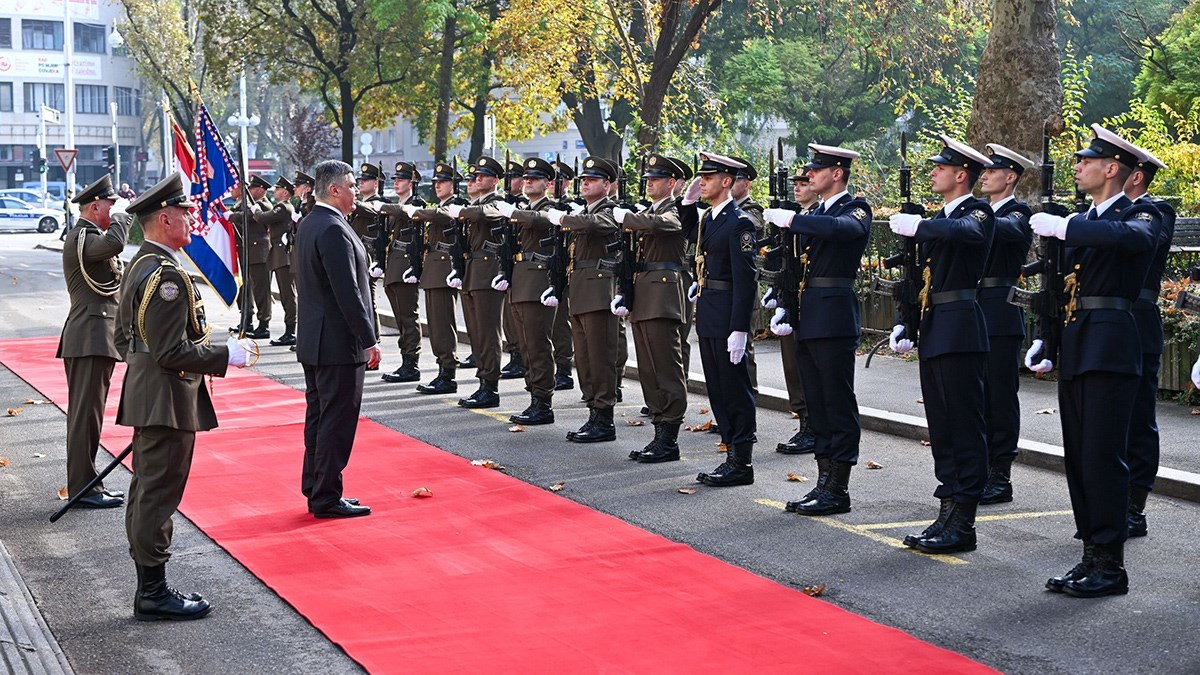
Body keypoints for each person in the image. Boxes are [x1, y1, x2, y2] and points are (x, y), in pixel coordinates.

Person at [114, 173, 255, 620]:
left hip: (152, 392)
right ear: (164, 218)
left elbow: (124, 338)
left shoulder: (142, 264)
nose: (192, 218)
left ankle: (149, 586)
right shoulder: (167, 275)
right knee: (158, 492)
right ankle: (152, 592)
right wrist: (225, 354)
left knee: (148, 489)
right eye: (184, 213)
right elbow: (171, 350)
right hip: (167, 397)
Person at [1029, 125, 1158, 598]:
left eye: (1086, 161)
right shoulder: (1085, 217)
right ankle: (1090, 555)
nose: (1077, 166)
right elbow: (1061, 290)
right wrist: (1048, 340)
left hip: (1112, 345)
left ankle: (1111, 565)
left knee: (1104, 456)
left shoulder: (1140, 212)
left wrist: (1068, 228)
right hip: (1079, 343)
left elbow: (1134, 241)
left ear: (1112, 169)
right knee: (1080, 458)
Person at [888, 135, 995, 554]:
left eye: (940, 167)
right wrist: (906, 323)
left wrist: (922, 227)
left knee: (964, 426)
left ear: (961, 174)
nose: (932, 171)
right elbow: (920, 280)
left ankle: (963, 520)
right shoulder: (941, 215)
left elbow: (967, 232)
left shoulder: (977, 211)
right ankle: (947, 510)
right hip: (935, 327)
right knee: (943, 427)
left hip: (960, 327)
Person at [763, 143, 872, 513]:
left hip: (834, 316)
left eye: (816, 170)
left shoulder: (854, 208)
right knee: (818, 405)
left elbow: (842, 229)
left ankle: (839, 488)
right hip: (808, 315)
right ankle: (823, 480)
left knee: (837, 403)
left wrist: (794, 221)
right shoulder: (815, 212)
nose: (809, 176)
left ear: (837, 173)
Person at [294, 160, 381, 519]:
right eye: (351, 185)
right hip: (337, 344)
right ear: (334, 189)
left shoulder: (312, 223)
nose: (356, 192)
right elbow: (347, 292)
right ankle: (326, 495)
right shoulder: (331, 228)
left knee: (319, 417)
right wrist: (369, 339)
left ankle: (316, 486)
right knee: (335, 421)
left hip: (316, 340)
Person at [56, 175, 130, 509]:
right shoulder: (82, 237)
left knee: (89, 416)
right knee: (85, 416)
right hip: (89, 337)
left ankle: (87, 483)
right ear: (95, 205)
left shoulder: (90, 237)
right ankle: (83, 488)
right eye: (110, 205)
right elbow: (114, 244)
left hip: (97, 336)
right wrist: (125, 217)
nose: (113, 210)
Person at [614, 155, 689, 462]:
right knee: (648, 367)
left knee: (666, 367)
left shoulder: (677, 210)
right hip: (644, 292)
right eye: (648, 179)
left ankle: (669, 436)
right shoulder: (646, 211)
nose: (650, 184)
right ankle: (659, 430)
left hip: (663, 294)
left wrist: (628, 218)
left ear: (671, 183)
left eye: (656, 179)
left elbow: (668, 225)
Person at [690, 153, 758, 487]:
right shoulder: (709, 219)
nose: (702, 181)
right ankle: (730, 452)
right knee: (717, 388)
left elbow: (747, 281)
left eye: (709, 176)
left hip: (728, 314)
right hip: (709, 311)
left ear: (727, 181)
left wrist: (739, 329)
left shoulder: (739, 221)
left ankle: (742, 461)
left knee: (735, 389)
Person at [545, 157, 622, 443]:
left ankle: (605, 417)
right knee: (586, 357)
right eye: (584, 179)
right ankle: (593, 411)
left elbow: (598, 224)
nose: (585, 182)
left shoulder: (610, 210)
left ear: (606, 185)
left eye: (592, 179)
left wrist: (565, 218)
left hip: (600, 292)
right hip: (579, 290)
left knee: (601, 356)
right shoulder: (584, 211)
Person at [976, 144, 1035, 505]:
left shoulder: (1018, 213)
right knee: (977, 397)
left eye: (991, 170)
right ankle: (980, 466)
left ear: (1010, 176)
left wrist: (970, 217)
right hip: (974, 309)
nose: (983, 175)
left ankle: (1001, 474)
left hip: (1000, 313)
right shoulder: (981, 212)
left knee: (999, 397)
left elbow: (1001, 230)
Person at [1123, 146, 1173, 538]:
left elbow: (1139, 244)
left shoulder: (1156, 212)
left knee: (1138, 419)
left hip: (1138, 323)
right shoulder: (1102, 213)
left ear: (1136, 175)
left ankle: (1134, 504)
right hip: (1104, 327)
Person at [496, 158, 564, 424]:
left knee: (537, 345)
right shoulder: (522, 208)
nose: (528, 182)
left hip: (538, 282)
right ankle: (533, 397)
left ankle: (543, 403)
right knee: (525, 346)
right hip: (521, 281)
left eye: (534, 179)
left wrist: (512, 213)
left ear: (548, 184)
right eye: (525, 178)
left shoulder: (551, 209)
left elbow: (539, 220)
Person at [448, 156, 510, 408]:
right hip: (473, 272)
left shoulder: (497, 203)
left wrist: (461, 211)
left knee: (487, 333)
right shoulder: (477, 204)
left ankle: (490, 387)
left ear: (495, 180)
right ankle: (483, 382)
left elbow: (486, 214)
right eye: (475, 177)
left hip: (488, 274)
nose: (477, 180)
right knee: (476, 333)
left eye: (482, 176)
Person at [768, 168, 819, 455]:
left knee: (806, 363)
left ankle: (813, 426)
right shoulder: (792, 216)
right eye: (796, 184)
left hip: (808, 299)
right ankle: (803, 421)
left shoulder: (814, 218)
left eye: (803, 184)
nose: (798, 189)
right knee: (791, 363)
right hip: (791, 296)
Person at [411, 162, 468, 395]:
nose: (437, 186)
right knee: (435, 324)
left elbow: (441, 217)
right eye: (435, 182)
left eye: (442, 182)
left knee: (443, 323)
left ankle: (448, 373)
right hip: (433, 270)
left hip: (445, 269)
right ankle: (442, 369)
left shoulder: (456, 206)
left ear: (454, 184)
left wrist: (415, 212)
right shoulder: (442, 206)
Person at [376, 162, 427, 383]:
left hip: (406, 266)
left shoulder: (417, 204)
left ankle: (411, 363)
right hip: (393, 267)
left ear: (413, 182)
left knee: (408, 317)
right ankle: (404, 360)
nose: (396, 182)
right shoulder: (397, 205)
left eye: (401, 179)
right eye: (395, 179)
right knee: (400, 318)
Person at [257, 176, 299, 346]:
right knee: (285, 294)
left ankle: (290, 331)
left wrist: (255, 210)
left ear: (285, 192)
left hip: (284, 255)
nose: (274, 192)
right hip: (278, 253)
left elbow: (262, 218)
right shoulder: (283, 207)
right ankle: (289, 331)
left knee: (288, 295)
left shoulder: (283, 207)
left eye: (277, 189)